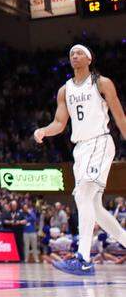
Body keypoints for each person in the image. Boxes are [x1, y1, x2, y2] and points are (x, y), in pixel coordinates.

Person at [34, 44, 126, 276]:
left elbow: (120, 116)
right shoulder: (65, 90)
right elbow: (59, 123)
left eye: (79, 53)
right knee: (93, 206)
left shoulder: (102, 83)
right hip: (81, 149)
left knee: (83, 194)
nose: (74, 56)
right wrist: (44, 130)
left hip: (100, 141)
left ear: (89, 58)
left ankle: (83, 258)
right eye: (71, 54)